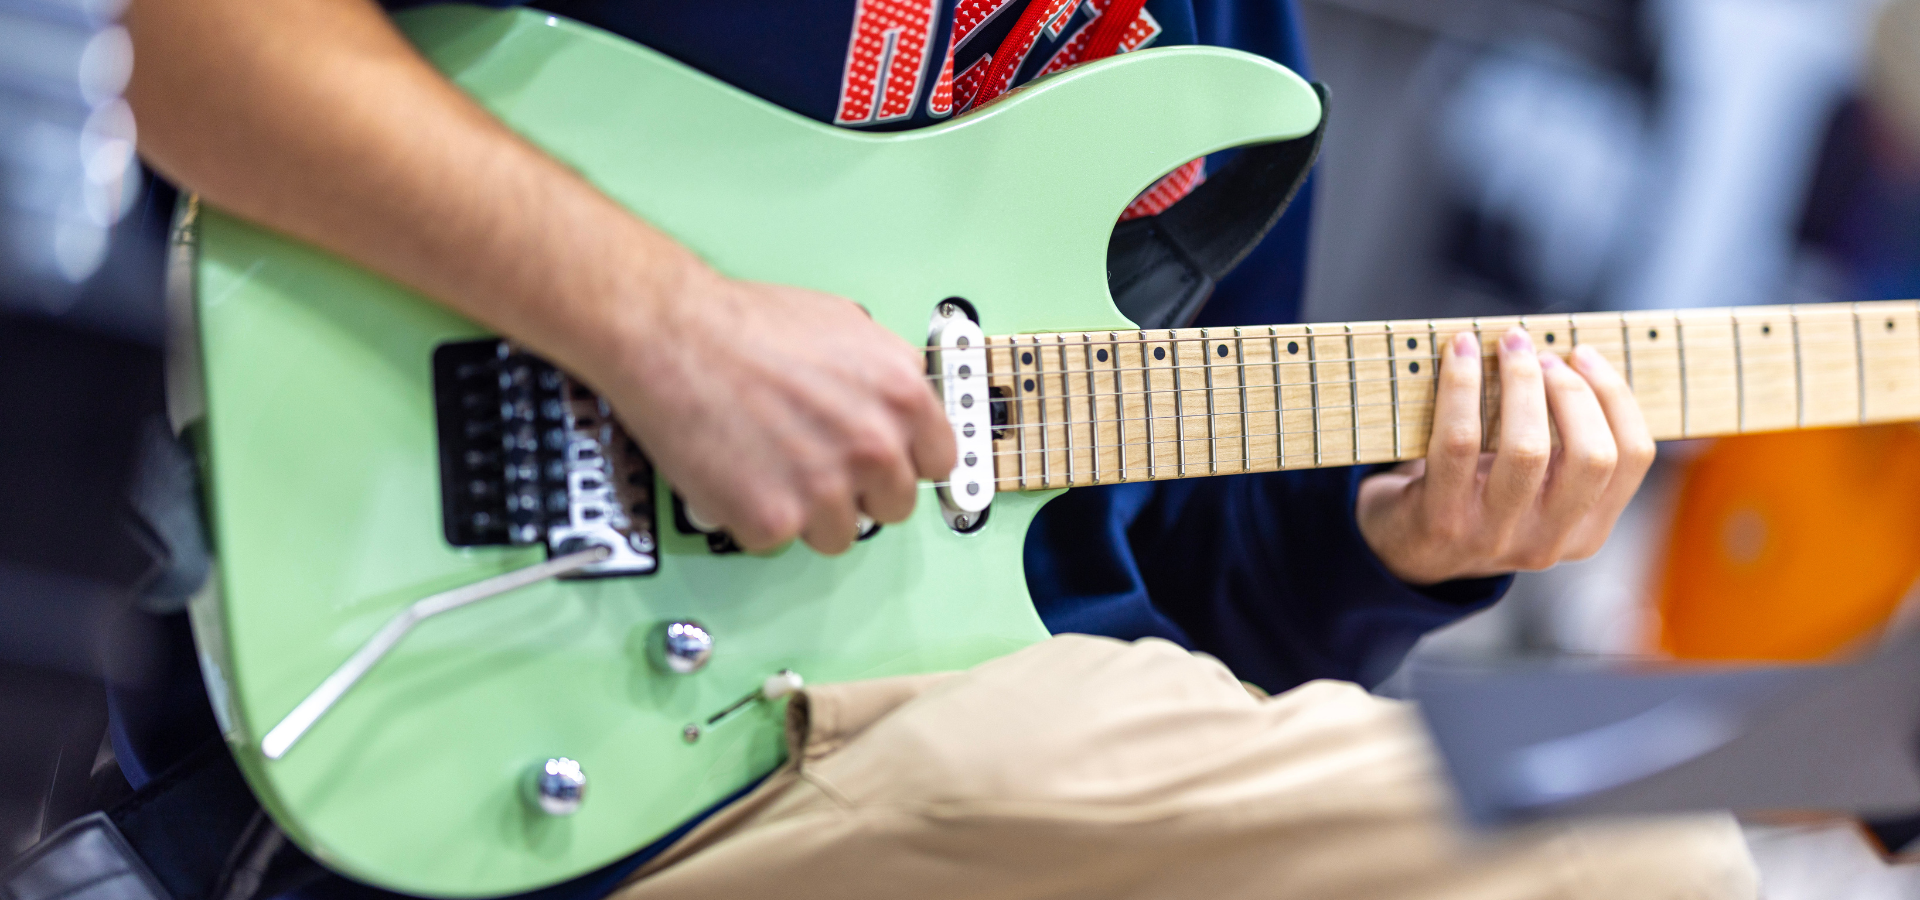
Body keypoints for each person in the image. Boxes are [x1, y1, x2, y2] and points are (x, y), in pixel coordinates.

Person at [120, 1, 1753, 898]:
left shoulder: (1232, 45)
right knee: (1626, 852)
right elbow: (180, 38)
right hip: (505, 718)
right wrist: (657, 323)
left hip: (965, 754)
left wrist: (1404, 541)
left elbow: (1197, 610)